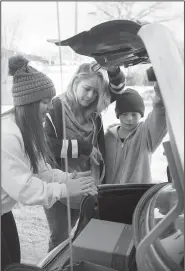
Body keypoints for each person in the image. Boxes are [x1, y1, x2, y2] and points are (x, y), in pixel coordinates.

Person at [1, 55, 97, 271]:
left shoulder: (29, 130)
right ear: (28, 103)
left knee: (12, 260)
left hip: (3, 210)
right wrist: (64, 189)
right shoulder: (7, 136)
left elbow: (41, 171)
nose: (50, 106)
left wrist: (66, 177)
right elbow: (24, 189)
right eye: (45, 101)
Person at [43, 62, 126, 251]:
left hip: (86, 183)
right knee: (60, 237)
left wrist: (113, 69)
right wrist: (84, 147)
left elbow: (118, 90)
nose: (90, 96)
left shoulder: (94, 111)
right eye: (87, 89)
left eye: (96, 92)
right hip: (58, 182)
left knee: (78, 232)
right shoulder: (56, 107)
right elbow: (49, 148)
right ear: (75, 82)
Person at [104, 83, 167, 184]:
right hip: (111, 194)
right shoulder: (106, 138)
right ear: (118, 114)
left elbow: (161, 111)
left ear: (141, 115)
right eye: (124, 114)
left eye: (134, 114)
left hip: (138, 194)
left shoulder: (146, 134)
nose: (129, 119)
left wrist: (160, 82)